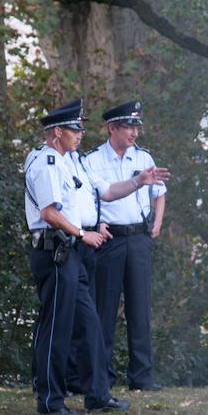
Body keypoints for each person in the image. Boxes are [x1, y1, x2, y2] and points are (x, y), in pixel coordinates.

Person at [25, 99, 134, 415]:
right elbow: (49, 213)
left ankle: (97, 396)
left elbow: (83, 201)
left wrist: (88, 228)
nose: (81, 134)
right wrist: (82, 233)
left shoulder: (69, 161)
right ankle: (50, 402)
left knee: (89, 324)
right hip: (56, 249)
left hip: (72, 248)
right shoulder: (47, 161)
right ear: (57, 132)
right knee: (56, 328)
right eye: (75, 129)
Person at [64, 124, 170, 395]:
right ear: (112, 128)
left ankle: (142, 377)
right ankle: (101, 376)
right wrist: (95, 224)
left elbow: (159, 194)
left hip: (138, 238)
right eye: (128, 128)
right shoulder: (92, 159)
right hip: (108, 240)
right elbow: (86, 198)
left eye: (137, 128)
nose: (134, 134)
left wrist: (157, 222)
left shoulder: (144, 157)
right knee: (103, 310)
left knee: (140, 308)